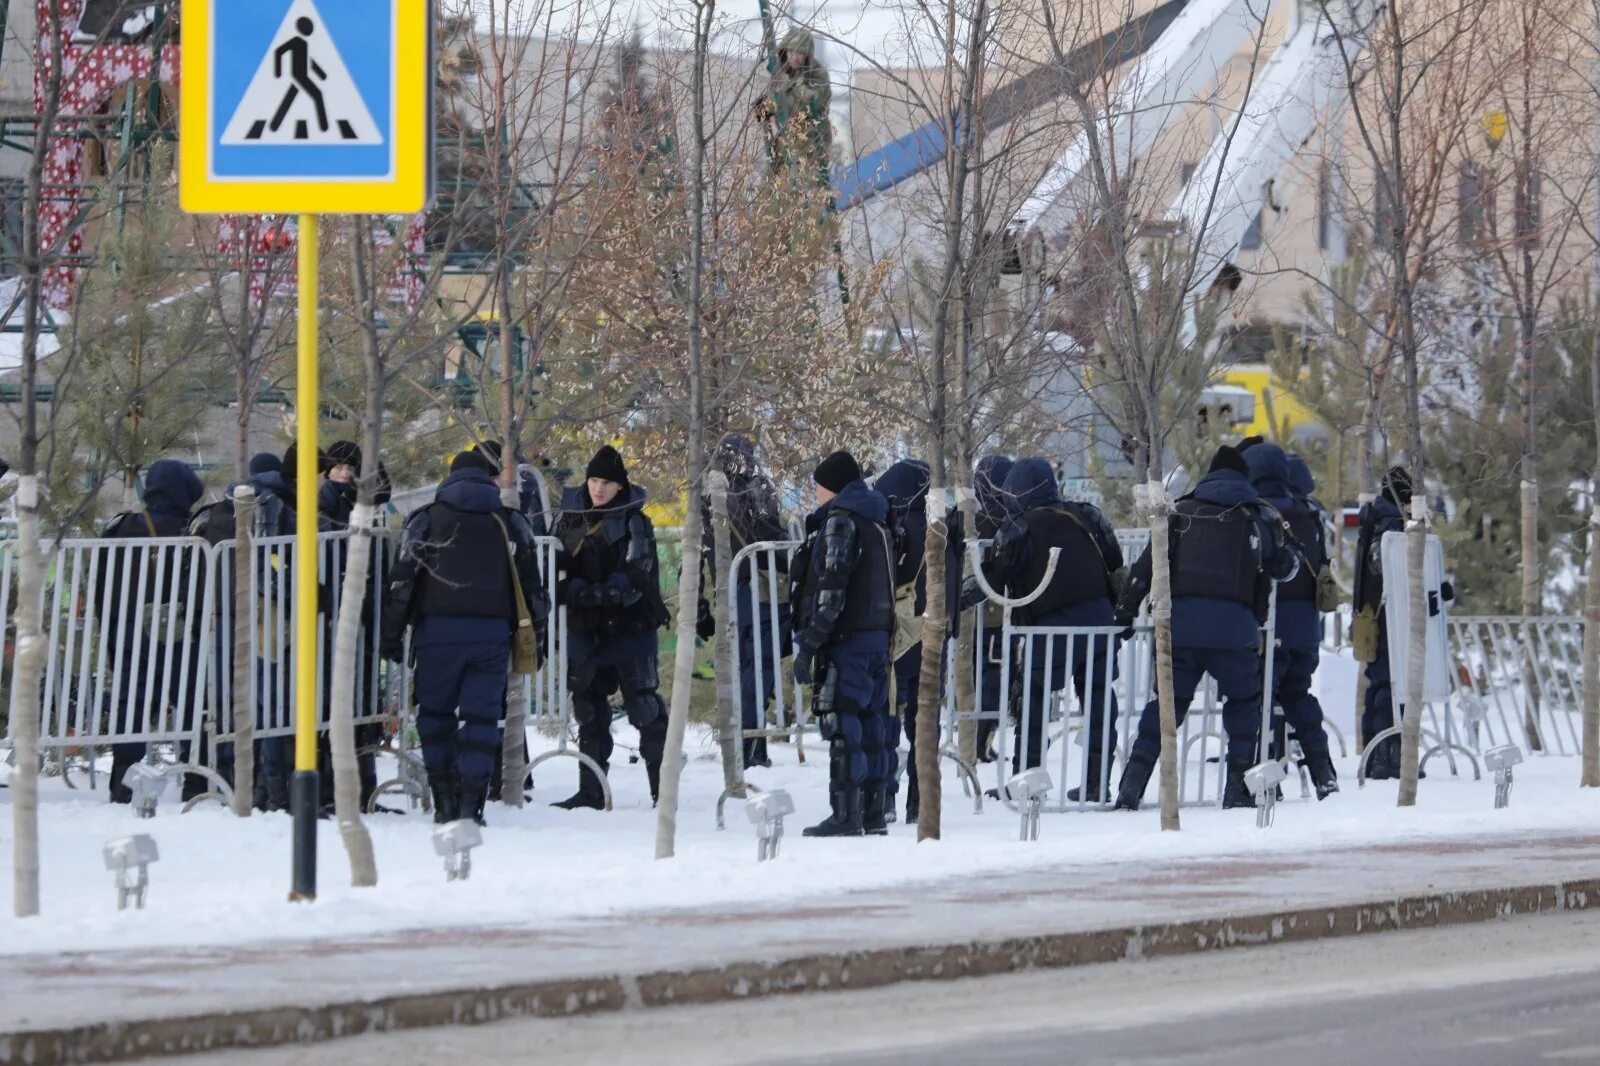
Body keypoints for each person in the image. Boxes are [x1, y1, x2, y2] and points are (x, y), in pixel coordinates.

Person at [1113, 446, 1297, 811]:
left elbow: (1147, 565)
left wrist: (1125, 612)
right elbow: (1283, 567)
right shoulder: (1258, 515)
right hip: (1237, 631)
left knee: (1166, 706)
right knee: (1244, 706)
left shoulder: (1180, 511)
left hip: (1181, 630)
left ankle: (1131, 786)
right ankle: (1237, 789)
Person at [380, 450, 546, 826]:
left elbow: (403, 582)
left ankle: (444, 801)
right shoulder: (509, 521)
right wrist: (538, 632)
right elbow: (532, 586)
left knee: (435, 716)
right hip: (490, 636)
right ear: (487, 481)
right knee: (482, 722)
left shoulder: (424, 520)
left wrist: (391, 634)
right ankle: (472, 807)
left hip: (436, 634)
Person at [980, 458, 1123, 802]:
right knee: (1100, 700)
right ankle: (1096, 783)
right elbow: (1115, 563)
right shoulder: (1086, 515)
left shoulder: (1018, 527)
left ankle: (1026, 784)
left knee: (1031, 701)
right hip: (1101, 623)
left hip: (1051, 629)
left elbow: (995, 577)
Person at [550, 446, 671, 810]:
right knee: (587, 710)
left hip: (630, 628)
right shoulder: (568, 518)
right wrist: (574, 592)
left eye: (606, 482)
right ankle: (591, 792)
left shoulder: (635, 521)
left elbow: (637, 574)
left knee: (644, 708)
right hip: (586, 630)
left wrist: (594, 592)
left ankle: (663, 791)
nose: (598, 489)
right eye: (593, 480)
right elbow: (553, 566)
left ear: (620, 487)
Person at [791, 451, 895, 837]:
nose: (815, 493)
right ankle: (872, 812)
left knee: (843, 723)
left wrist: (810, 645)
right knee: (870, 724)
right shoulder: (877, 520)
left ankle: (845, 814)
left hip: (846, 640)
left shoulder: (841, 523)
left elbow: (831, 590)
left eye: (818, 486)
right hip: (875, 638)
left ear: (830, 487)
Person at [188, 452, 299, 811]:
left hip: (219, 617)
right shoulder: (280, 508)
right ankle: (270, 789)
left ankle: (230, 781)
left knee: (225, 701)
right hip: (264, 616)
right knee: (267, 703)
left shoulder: (213, 512)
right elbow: (287, 567)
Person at [99, 459, 206, 803]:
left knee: (131, 707)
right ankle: (195, 781)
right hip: (178, 638)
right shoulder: (192, 533)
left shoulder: (120, 528)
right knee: (190, 705)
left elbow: (104, 589)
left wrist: (112, 633)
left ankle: (123, 784)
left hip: (129, 636)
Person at [1246, 443, 1338, 800]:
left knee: (1260, 702)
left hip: (1268, 624)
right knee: (1299, 696)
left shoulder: (1255, 513)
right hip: (1306, 626)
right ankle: (1323, 771)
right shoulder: (1309, 513)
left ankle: (1267, 782)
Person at [697, 436, 791, 771]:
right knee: (756, 666)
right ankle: (752, 745)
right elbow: (766, 531)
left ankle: (749, 744)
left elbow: (696, 551)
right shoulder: (752, 488)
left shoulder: (707, 492)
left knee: (744, 667)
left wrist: (699, 607)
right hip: (755, 586)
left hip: (733, 586)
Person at [876, 458, 960, 824]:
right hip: (935, 636)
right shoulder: (942, 526)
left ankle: (886, 796)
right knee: (925, 721)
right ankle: (920, 798)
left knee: (889, 716)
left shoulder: (891, 526)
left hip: (900, 634)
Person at [1354, 466, 1411, 780]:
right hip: (1390, 615)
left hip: (1372, 614)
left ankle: (1375, 754)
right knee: (1390, 686)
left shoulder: (1374, 519)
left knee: (1378, 683)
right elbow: (1385, 568)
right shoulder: (1391, 524)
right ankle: (1388, 758)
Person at [969, 455, 1014, 764]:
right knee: (993, 677)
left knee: (983, 675)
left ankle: (979, 738)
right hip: (996, 615)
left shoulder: (974, 520)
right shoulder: (1005, 522)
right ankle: (981, 740)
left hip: (977, 615)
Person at [755, 27, 833, 181]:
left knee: (804, 189)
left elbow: (816, 104)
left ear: (807, 55)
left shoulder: (817, 74)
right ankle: (775, 166)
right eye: (792, 52)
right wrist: (766, 109)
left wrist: (792, 85)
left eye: (801, 53)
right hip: (785, 140)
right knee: (762, 108)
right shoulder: (780, 72)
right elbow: (776, 101)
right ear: (786, 52)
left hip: (811, 142)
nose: (796, 58)